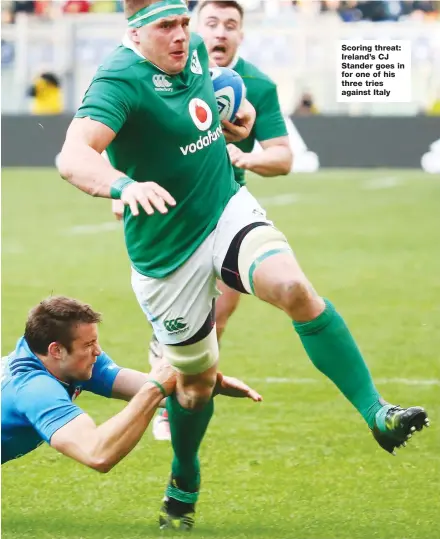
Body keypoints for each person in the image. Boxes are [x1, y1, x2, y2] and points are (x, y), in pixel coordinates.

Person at [57, 0, 429, 530]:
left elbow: (233, 116)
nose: (182, 36)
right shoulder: (119, 80)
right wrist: (123, 185)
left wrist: (242, 123)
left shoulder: (200, 53)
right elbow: (72, 156)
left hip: (225, 208)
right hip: (166, 253)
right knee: (195, 385)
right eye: (167, 26)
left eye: (185, 22)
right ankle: (184, 478)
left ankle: (377, 413)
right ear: (136, 34)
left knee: (294, 288)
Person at [140, 0, 294, 441]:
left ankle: (182, 389)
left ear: (242, 34)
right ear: (193, 29)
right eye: (211, 24)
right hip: (169, 210)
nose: (221, 33)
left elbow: (283, 157)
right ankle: (168, 386)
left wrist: (246, 156)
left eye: (231, 25)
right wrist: (127, 185)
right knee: (181, 320)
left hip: (225, 209)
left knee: (219, 317)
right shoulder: (167, 71)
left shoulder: (255, 85)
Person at [1, 296, 262, 468]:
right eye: (89, 344)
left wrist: (205, 382)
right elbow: (97, 453)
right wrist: (156, 388)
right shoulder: (34, 389)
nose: (98, 352)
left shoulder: (59, 359)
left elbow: (150, 388)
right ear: (56, 350)